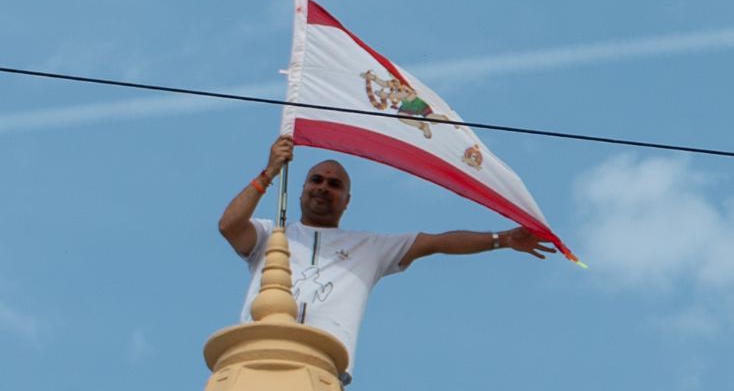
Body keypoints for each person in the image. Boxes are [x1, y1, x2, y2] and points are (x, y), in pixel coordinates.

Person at [219, 136, 554, 378]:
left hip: (322, 368)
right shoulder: (271, 234)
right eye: (316, 180)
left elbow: (435, 242)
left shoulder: (370, 246)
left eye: (334, 184)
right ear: (303, 188)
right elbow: (229, 225)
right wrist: (269, 172)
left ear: (346, 200)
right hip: (256, 358)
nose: (323, 188)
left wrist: (503, 239)